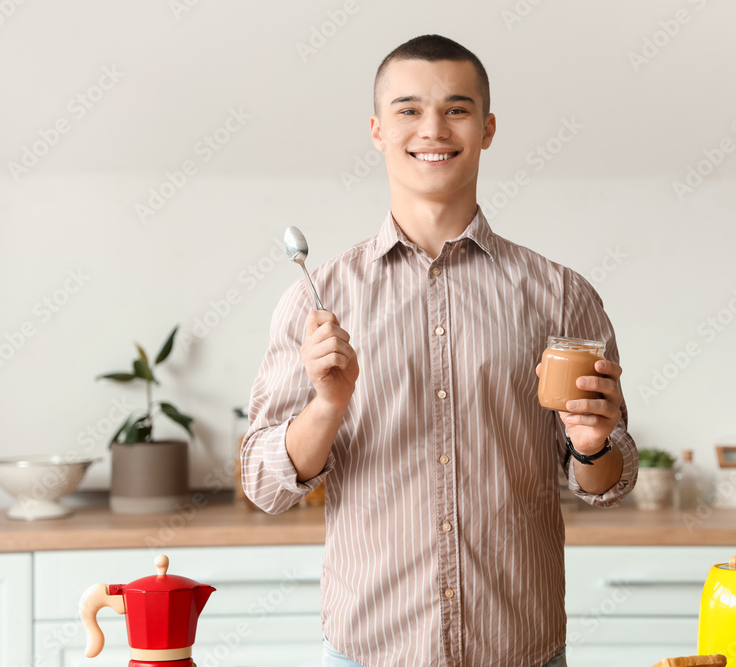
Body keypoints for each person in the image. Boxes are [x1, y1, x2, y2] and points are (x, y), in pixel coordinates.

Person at [241, 34, 638, 667]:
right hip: (369, 651)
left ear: (487, 128)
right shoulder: (320, 300)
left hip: (521, 649)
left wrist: (592, 445)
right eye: (408, 110)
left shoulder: (561, 295)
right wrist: (326, 407)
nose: (433, 128)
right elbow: (264, 485)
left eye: (456, 109)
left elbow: (608, 483)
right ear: (377, 130)